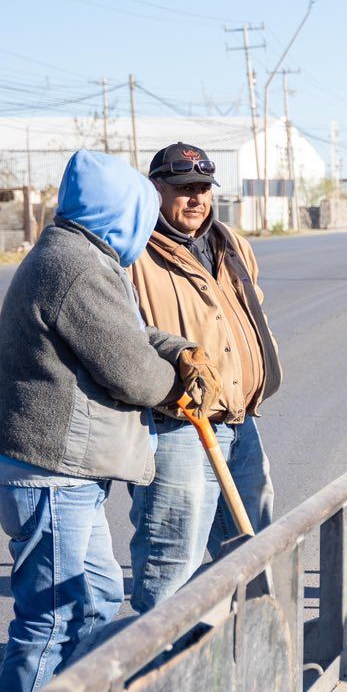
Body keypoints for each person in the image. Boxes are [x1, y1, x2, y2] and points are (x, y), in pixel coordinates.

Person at [0, 150, 217, 692]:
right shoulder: (77, 266)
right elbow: (131, 371)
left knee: (100, 596)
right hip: (49, 477)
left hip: (61, 477)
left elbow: (132, 335)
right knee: (55, 614)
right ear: (124, 209)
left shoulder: (83, 254)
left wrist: (180, 351)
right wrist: (173, 382)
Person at [127, 143, 282, 609]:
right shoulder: (133, 252)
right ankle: (158, 667)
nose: (196, 199)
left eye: (202, 189)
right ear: (155, 189)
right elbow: (127, 336)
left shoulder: (230, 243)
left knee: (251, 540)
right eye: (183, 190)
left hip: (239, 418)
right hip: (178, 425)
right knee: (173, 554)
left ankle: (239, 654)